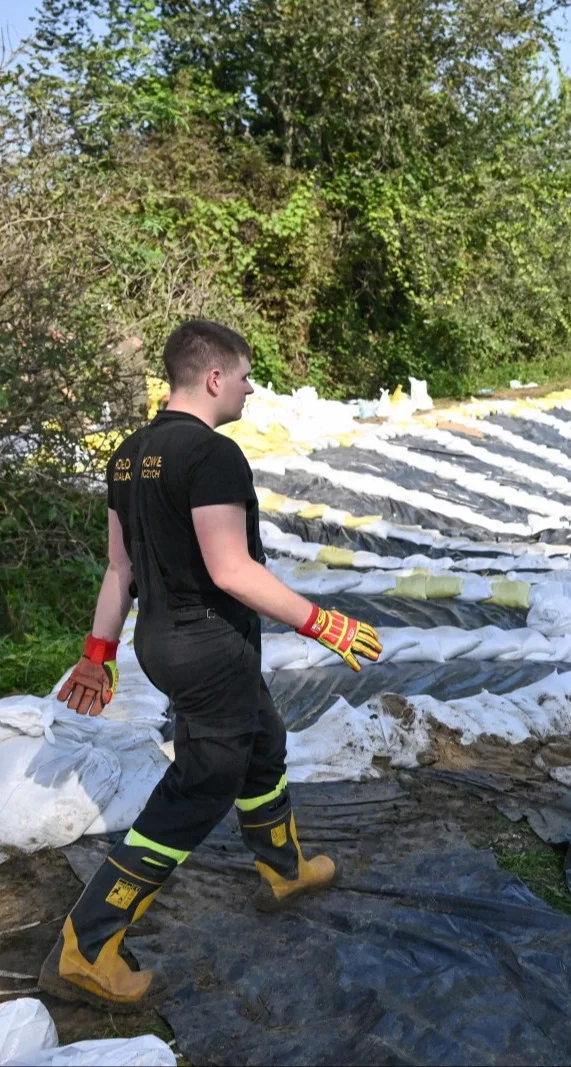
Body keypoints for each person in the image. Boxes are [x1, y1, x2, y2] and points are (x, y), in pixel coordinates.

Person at [44, 321, 383, 1013]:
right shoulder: (212, 454)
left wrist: (98, 651)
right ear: (214, 377)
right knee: (201, 786)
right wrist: (324, 621)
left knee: (263, 741)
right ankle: (85, 943)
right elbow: (232, 570)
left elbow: (119, 568)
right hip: (208, 646)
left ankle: (283, 870)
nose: (254, 387)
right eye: (248, 373)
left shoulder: (130, 455)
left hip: (162, 641)